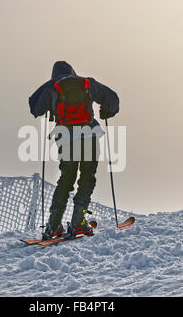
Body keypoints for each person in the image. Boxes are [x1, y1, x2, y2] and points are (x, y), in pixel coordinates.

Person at [29, 61, 119, 240]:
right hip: (90, 135)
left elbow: (34, 108)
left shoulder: (51, 86)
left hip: (66, 136)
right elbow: (112, 98)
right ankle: (78, 221)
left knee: (66, 179)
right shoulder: (87, 82)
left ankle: (54, 225)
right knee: (87, 177)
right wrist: (107, 111)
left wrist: (49, 105)